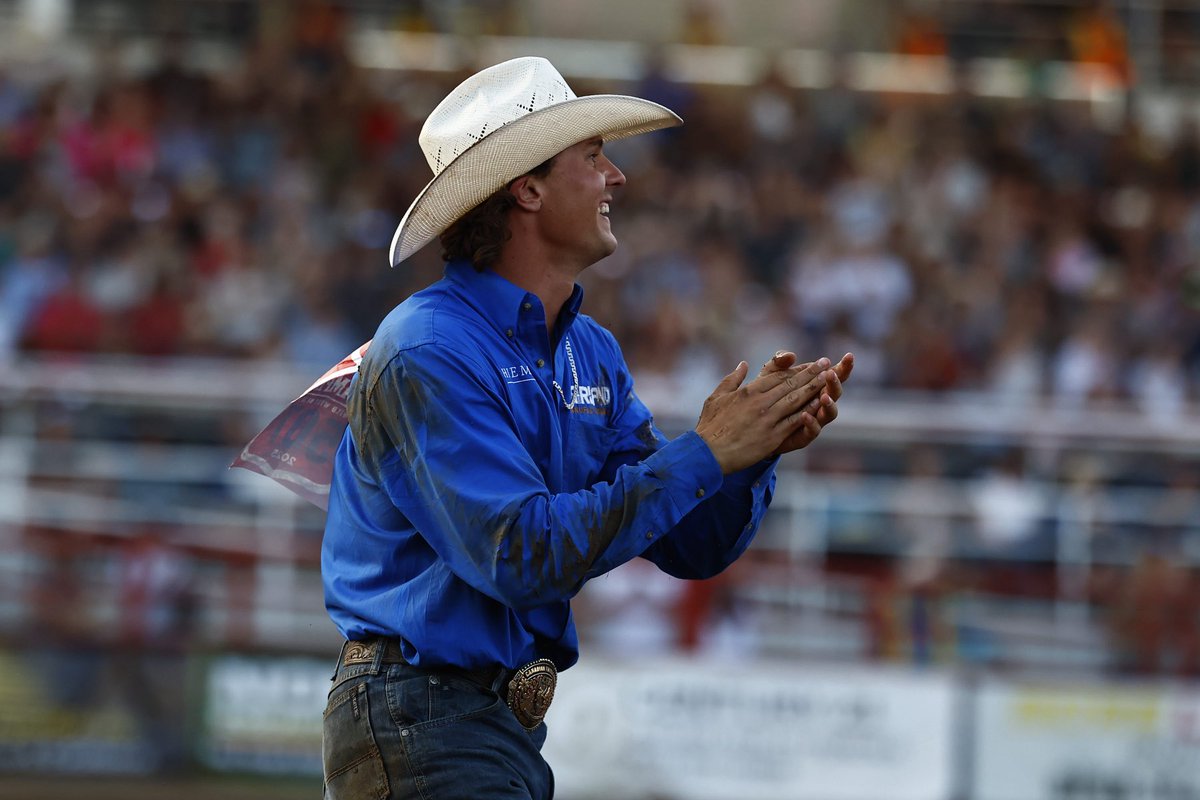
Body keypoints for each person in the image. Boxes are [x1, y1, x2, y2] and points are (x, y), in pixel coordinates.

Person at [319, 56, 854, 800]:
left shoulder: (585, 351)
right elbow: (522, 554)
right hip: (424, 715)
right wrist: (708, 452)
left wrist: (751, 451)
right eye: (595, 155)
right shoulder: (427, 348)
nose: (618, 177)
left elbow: (691, 544)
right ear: (527, 188)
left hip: (469, 725)